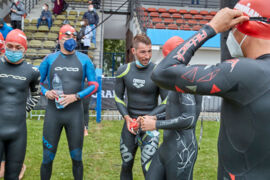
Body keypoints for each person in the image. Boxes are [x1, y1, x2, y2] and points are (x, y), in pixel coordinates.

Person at [151, 0, 270, 179]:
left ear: (242, 25)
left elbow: (163, 72)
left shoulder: (244, 72)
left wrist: (211, 27)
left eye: (231, 28)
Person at [39, 24, 98, 180]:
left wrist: (76, 96)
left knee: (77, 158)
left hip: (75, 115)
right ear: (59, 39)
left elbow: (94, 85)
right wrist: (46, 92)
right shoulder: (49, 59)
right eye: (66, 36)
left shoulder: (84, 60)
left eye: (73, 36)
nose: (70, 39)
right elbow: (35, 82)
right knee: (47, 158)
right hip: (53, 114)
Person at [139, 36, 202, 180]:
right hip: (167, 146)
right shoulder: (176, 77)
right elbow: (175, 112)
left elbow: (189, 119)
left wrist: (155, 124)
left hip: (182, 150)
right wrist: (155, 117)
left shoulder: (185, 78)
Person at [115, 34, 168, 179]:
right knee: (126, 165)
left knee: (149, 169)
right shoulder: (123, 70)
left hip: (149, 126)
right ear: (133, 51)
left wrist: (148, 118)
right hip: (130, 125)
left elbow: (166, 101)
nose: (147, 56)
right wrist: (126, 118)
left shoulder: (158, 72)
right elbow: (118, 98)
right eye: (143, 52)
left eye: (149, 51)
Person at [0, 29, 40, 179]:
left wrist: (24, 110)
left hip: (18, 133)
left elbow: (36, 95)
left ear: (25, 50)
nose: (13, 50)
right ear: (4, 45)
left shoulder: (33, 71)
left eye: (18, 48)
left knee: (12, 176)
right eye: (10, 46)